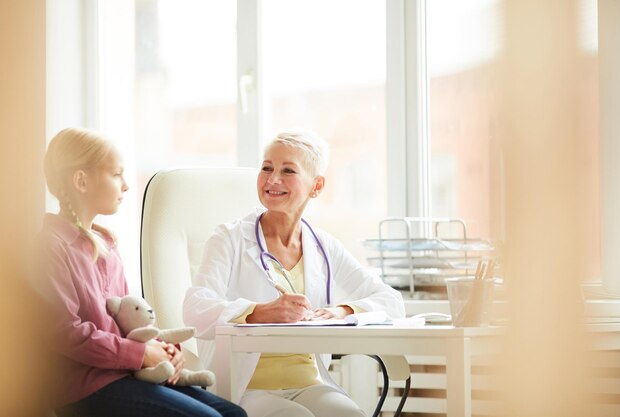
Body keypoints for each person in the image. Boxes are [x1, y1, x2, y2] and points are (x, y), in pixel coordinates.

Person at [183, 129, 406, 417]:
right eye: (267, 168)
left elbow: (391, 301)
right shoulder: (229, 238)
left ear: (316, 185)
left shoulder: (324, 246)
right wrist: (258, 312)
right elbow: (195, 309)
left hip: (309, 384)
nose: (273, 179)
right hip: (248, 387)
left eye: (288, 170)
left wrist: (343, 310)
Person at [39, 127, 247, 417]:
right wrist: (142, 354)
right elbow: (65, 332)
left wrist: (161, 348)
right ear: (81, 180)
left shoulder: (107, 244)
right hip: (87, 386)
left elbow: (127, 319)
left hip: (126, 374)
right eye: (116, 174)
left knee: (236, 414)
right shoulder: (51, 246)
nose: (125, 186)